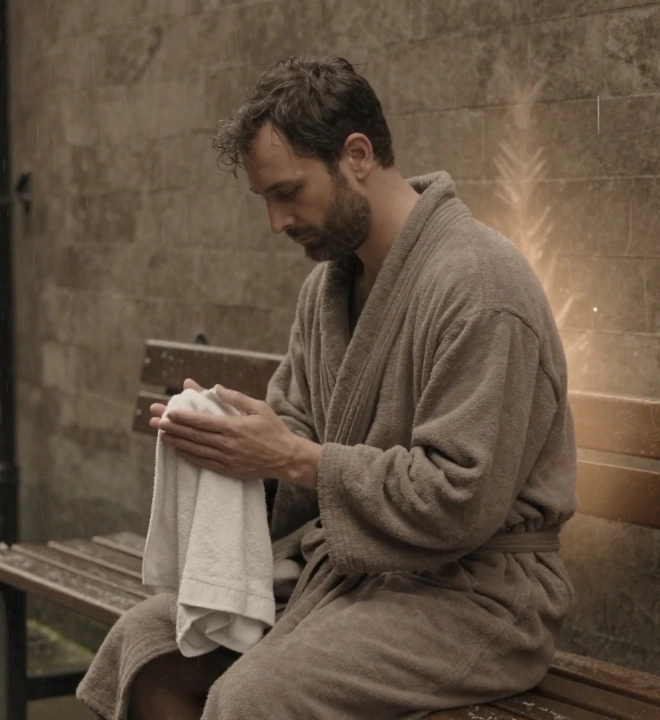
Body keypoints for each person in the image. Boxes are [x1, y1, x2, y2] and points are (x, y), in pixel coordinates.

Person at [76, 55, 576, 720]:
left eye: (287, 192)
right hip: (346, 573)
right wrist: (224, 438)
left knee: (253, 698)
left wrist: (290, 457)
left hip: (479, 595)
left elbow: (461, 500)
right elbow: (295, 439)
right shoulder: (328, 288)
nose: (276, 222)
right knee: (143, 648)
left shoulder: (480, 285)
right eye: (265, 200)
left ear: (358, 155)